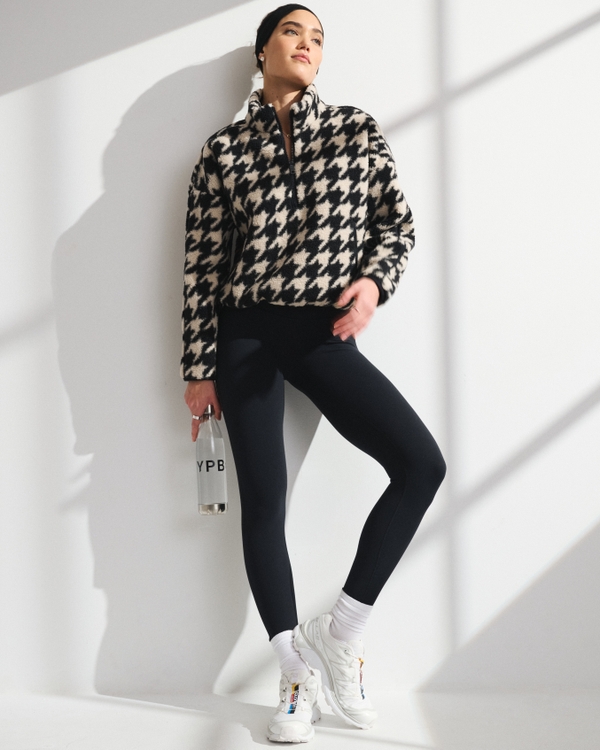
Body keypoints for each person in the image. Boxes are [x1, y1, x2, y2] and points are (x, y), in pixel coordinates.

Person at [181, 4, 446, 743]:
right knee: (265, 503)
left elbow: (397, 224)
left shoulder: (356, 130)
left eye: (319, 38)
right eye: (293, 32)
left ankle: (341, 631)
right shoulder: (222, 151)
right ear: (262, 49)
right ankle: (293, 673)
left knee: (420, 465)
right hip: (245, 333)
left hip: (323, 332)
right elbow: (201, 266)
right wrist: (198, 367)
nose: (307, 44)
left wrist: (373, 283)